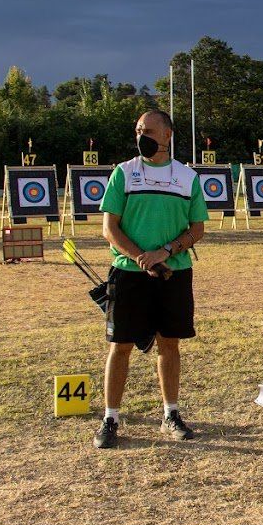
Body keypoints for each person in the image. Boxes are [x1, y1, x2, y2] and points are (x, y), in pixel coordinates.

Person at [94, 109, 208, 448]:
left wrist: (166, 251)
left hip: (174, 273)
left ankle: (170, 414)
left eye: (147, 130)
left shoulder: (186, 177)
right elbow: (109, 228)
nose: (140, 135)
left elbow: (197, 229)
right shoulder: (123, 173)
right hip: (129, 274)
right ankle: (110, 418)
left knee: (169, 343)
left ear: (167, 135)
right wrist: (139, 257)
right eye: (138, 130)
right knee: (120, 346)